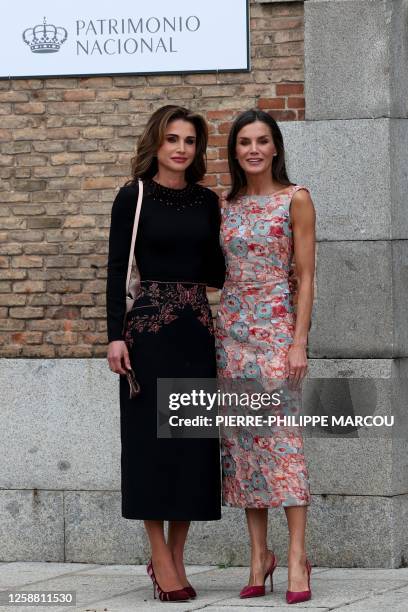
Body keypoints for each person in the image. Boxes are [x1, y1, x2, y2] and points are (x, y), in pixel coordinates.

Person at [106, 105, 225, 603]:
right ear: (156, 143)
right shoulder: (132, 196)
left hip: (197, 333)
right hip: (147, 338)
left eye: (190, 141)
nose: (181, 148)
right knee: (151, 447)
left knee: (192, 447)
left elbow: (217, 272)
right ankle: (159, 555)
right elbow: (116, 270)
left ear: (198, 149)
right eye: (172, 138)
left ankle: (178, 552)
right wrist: (115, 336)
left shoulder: (207, 201)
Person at [215, 109, 316, 604]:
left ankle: (297, 557)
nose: (253, 149)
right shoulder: (225, 207)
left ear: (275, 147)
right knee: (244, 448)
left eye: (262, 141)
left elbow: (307, 276)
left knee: (284, 445)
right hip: (231, 337)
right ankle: (259, 556)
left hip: (276, 332)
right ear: (234, 152)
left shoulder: (295, 199)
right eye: (243, 143)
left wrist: (299, 341)